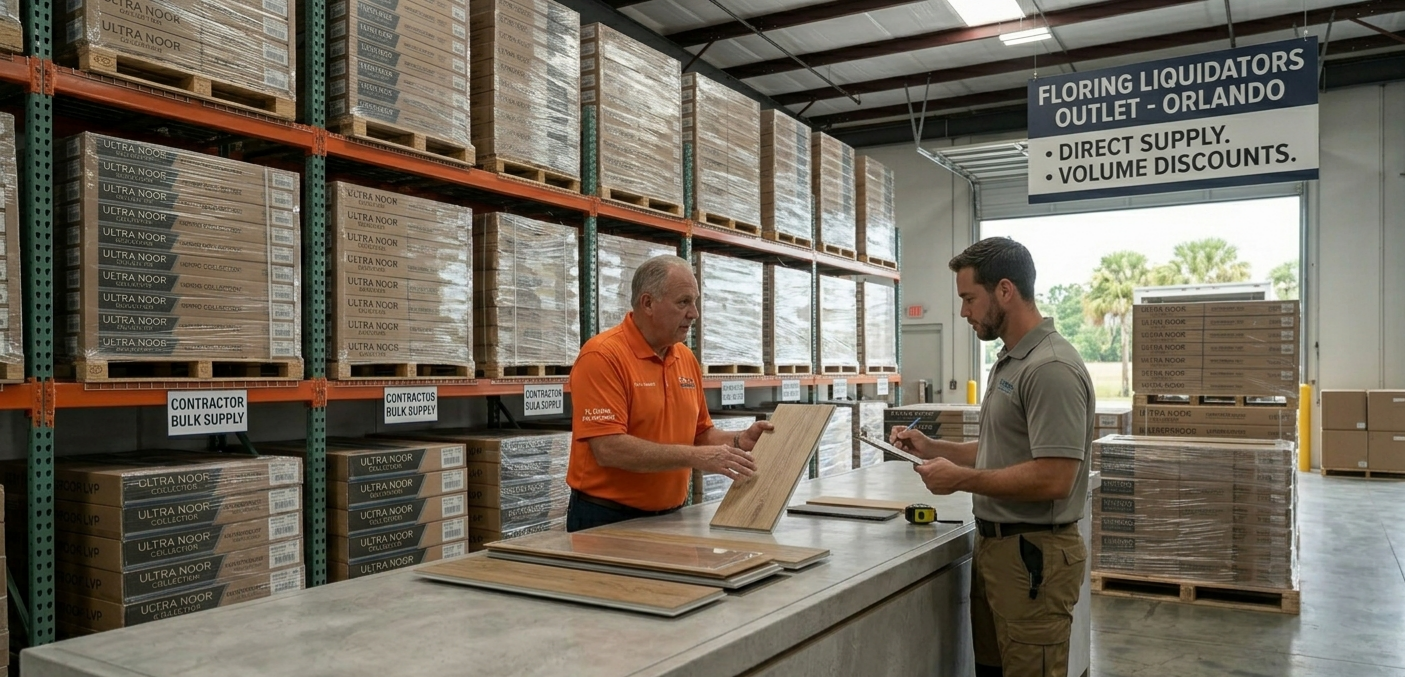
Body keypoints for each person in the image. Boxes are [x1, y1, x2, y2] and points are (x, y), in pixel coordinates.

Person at [890, 237, 1094, 677]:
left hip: (1033, 557)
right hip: (999, 551)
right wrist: (935, 449)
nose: (963, 312)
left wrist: (959, 480)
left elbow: (1054, 478)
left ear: (1004, 290)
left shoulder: (1050, 368)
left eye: (968, 298)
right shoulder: (1011, 362)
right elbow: (1002, 450)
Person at [566, 255, 773, 532]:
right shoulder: (603, 356)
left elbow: (700, 434)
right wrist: (698, 458)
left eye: (695, 301)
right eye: (683, 302)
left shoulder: (685, 358)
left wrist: (738, 439)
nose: (694, 313)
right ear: (648, 303)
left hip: (672, 516)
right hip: (606, 518)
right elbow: (608, 449)